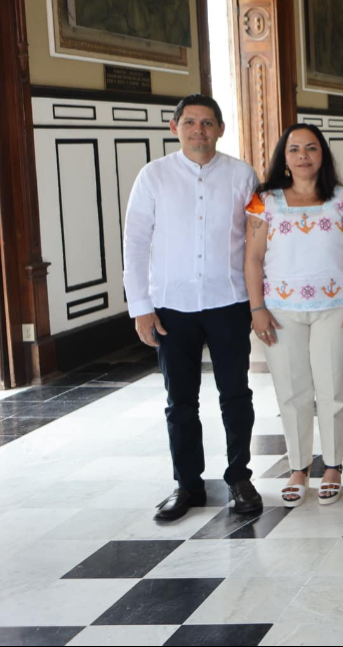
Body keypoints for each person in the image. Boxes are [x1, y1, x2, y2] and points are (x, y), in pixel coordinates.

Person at [123, 94, 262, 521]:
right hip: (172, 307)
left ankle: (239, 476)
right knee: (179, 399)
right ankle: (187, 484)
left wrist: (259, 304)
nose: (198, 130)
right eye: (189, 122)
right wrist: (140, 307)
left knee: (235, 394)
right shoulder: (154, 177)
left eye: (207, 123)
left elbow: (258, 243)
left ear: (220, 128)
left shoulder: (242, 175)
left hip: (229, 302)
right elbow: (136, 242)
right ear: (174, 127)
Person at [244, 124, 343, 507]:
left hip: (336, 308)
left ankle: (332, 466)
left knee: (332, 389)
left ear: (322, 154)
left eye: (311, 148)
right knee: (292, 391)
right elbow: (252, 257)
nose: (302, 156)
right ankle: (299, 467)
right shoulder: (264, 202)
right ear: (284, 157)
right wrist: (257, 309)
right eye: (294, 149)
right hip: (281, 311)